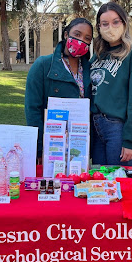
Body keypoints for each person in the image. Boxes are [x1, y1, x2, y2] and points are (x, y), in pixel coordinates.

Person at [90, 2, 132, 166]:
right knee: (99, 184)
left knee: (120, 184)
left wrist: (131, 140)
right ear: (99, 27)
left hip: (117, 129)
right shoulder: (98, 56)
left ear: (124, 23)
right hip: (96, 129)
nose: (110, 27)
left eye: (115, 22)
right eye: (105, 24)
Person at [25, 18, 94, 161]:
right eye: (77, 34)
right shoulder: (43, 65)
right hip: (52, 146)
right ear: (66, 35)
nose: (81, 41)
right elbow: (33, 110)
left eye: (87, 38)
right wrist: (39, 148)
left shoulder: (89, 69)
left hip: (80, 145)